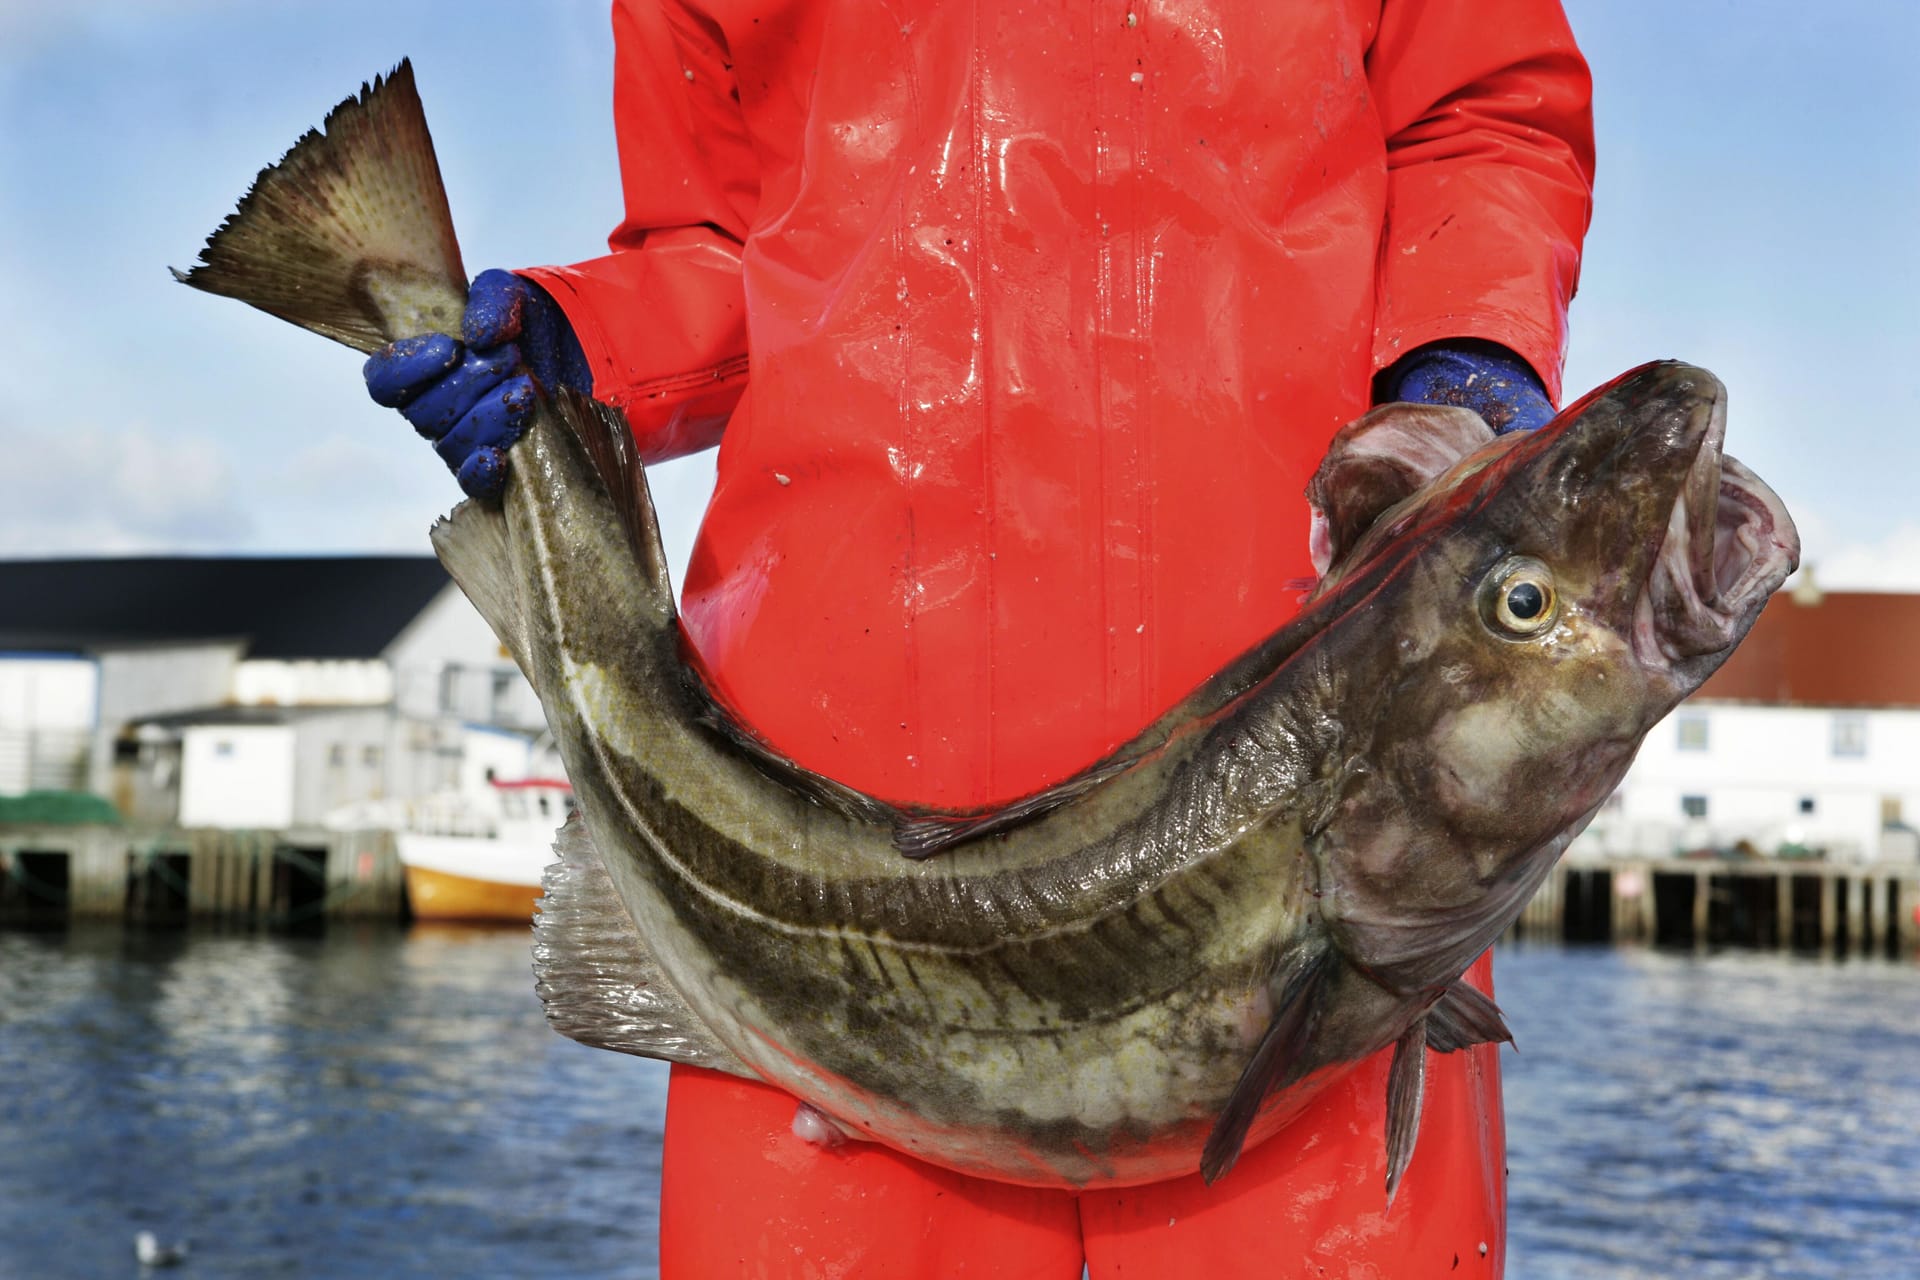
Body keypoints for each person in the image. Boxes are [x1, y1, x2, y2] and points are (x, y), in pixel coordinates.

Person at [367, 1, 1594, 1273]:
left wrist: (1467, 354)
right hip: (814, 860)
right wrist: (587, 341)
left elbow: (1482, 112)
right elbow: (726, 244)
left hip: (1305, 809)